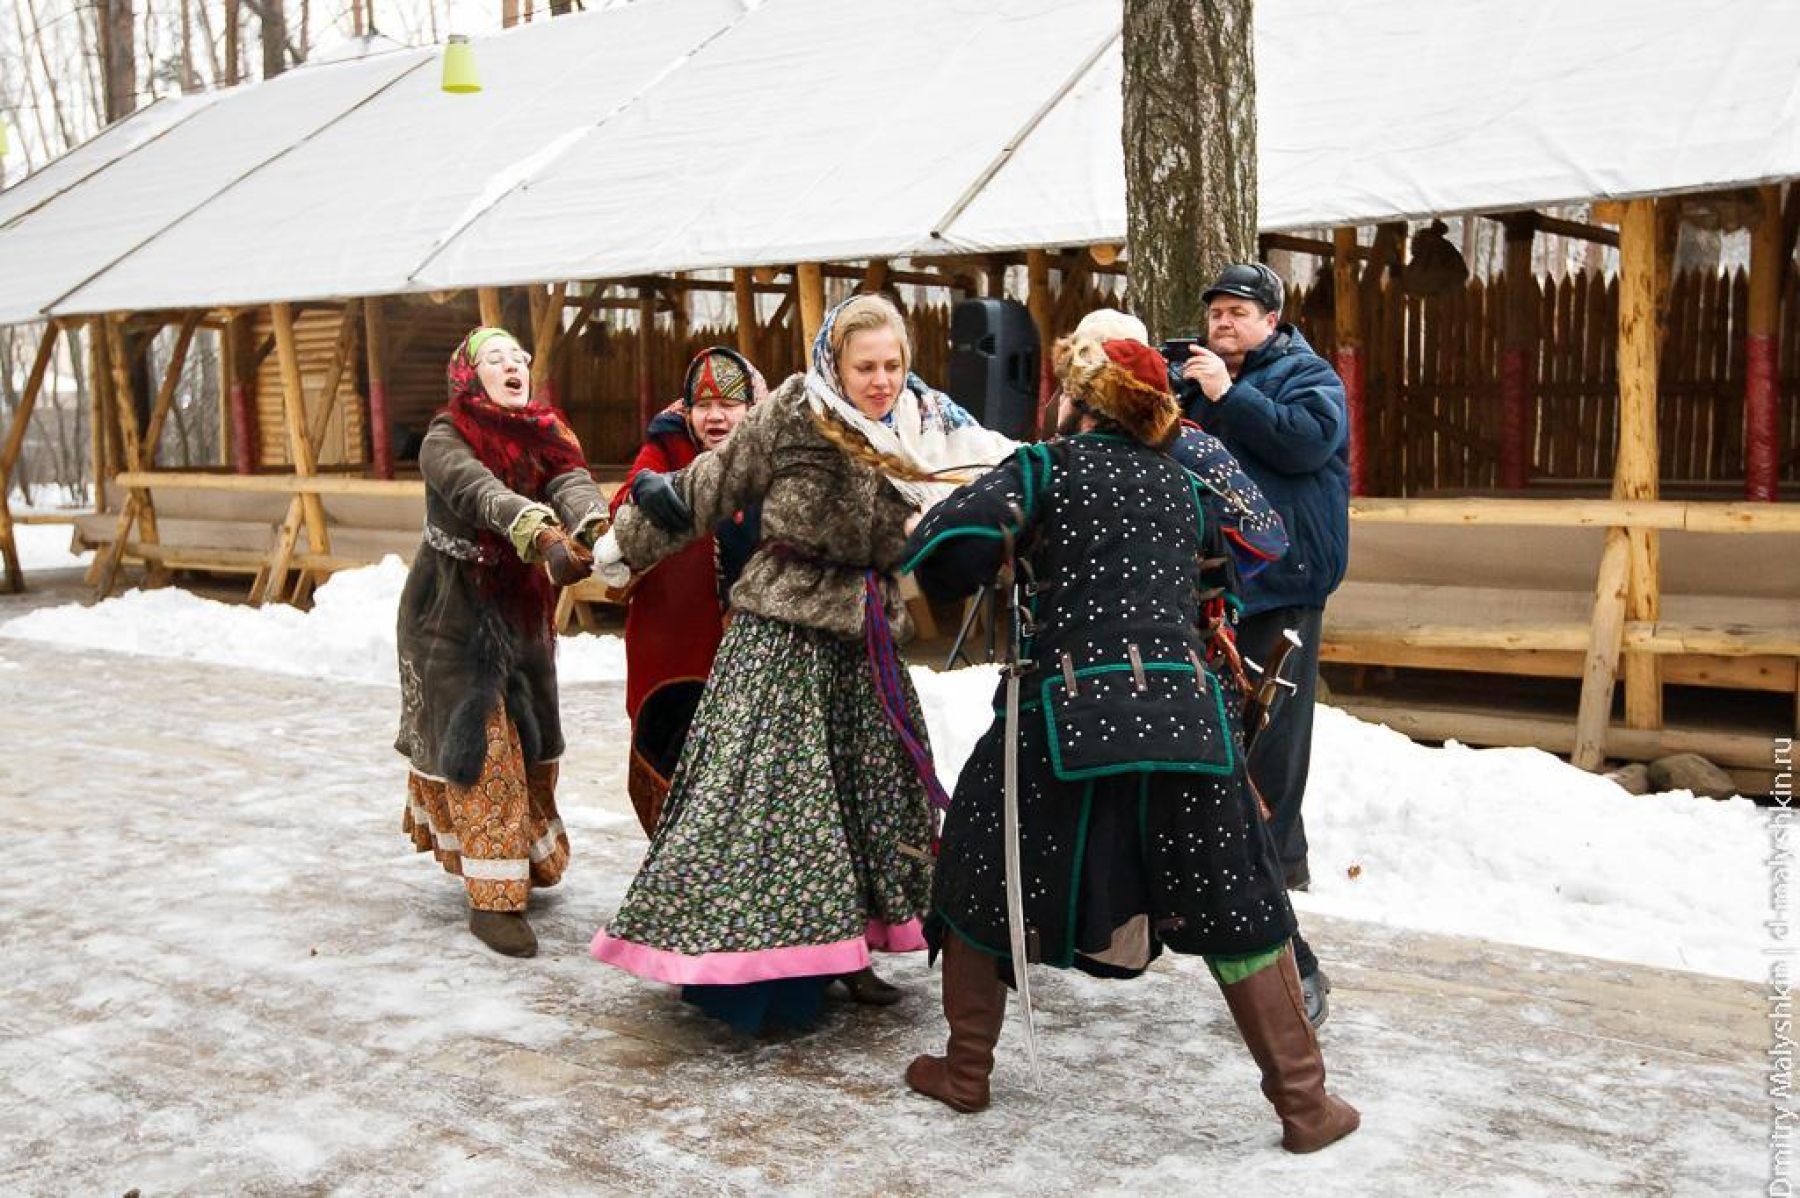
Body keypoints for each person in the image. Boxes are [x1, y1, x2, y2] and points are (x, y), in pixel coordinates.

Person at [900, 332, 1359, 1153]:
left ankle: (966, 1071)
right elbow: (1262, 545)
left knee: (976, 866)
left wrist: (1011, 545)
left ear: (1079, 402)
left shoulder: (1043, 465)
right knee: (1242, 899)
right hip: (1185, 709)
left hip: (1059, 707)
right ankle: (1307, 1105)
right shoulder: (1192, 475)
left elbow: (941, 550)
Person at [590, 294, 1014, 1033]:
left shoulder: (922, 433)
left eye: (892, 365)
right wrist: (630, 538)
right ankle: (758, 978)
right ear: (834, 362)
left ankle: (846, 954)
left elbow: (988, 487)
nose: (880, 380)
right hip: (781, 639)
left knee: (866, 808)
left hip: (864, 646)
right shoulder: (793, 410)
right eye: (865, 366)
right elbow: (707, 488)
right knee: (775, 812)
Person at [1171, 263, 1350, 1019]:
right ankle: (1276, 870)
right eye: (1216, 312)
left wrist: (1225, 396)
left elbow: (1305, 446)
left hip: (1285, 592)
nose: (1224, 323)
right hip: (1218, 593)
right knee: (1232, 750)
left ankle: (1278, 919)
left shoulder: (1309, 378)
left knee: (1274, 750)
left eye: (1240, 312)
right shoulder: (1197, 384)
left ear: (1273, 320)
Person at [395, 327, 605, 958]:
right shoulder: (446, 436)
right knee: (480, 748)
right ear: (469, 376)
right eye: (496, 359)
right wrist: (539, 533)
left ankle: (516, 861)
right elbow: (479, 492)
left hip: (520, 613)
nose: (513, 366)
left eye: (520, 358)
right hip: (451, 616)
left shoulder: (546, 429)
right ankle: (494, 903)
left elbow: (569, 477)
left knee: (532, 741)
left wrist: (593, 523)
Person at [612, 347, 766, 836]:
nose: (715, 416)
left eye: (729, 404)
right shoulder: (667, 445)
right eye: (703, 405)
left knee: (736, 763)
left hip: (739, 642)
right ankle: (672, 875)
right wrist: (647, 487)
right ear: (687, 410)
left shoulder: (768, 456)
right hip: (669, 642)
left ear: (752, 407)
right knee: (667, 753)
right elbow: (627, 497)